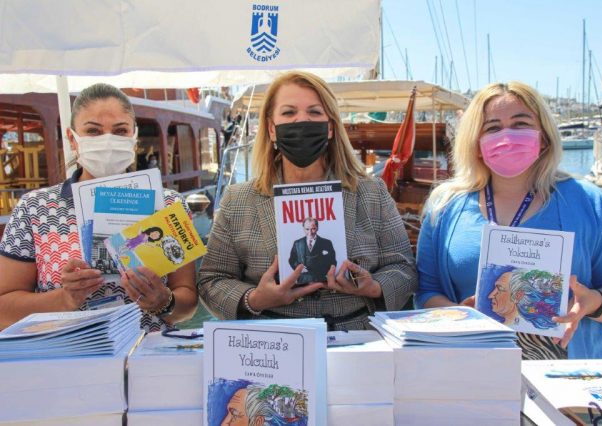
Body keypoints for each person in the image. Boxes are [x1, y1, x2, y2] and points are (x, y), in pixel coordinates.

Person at [416, 81, 602, 359]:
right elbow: (426, 292)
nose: (507, 136)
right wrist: (459, 315)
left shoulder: (590, 203)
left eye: (520, 124)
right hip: (470, 368)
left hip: (571, 374)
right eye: (492, 128)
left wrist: (592, 302)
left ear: (543, 136)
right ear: (475, 143)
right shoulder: (444, 207)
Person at [198, 71, 417, 331]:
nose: (302, 120)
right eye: (289, 112)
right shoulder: (238, 200)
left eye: (314, 112)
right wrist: (254, 299)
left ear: (330, 127)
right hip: (272, 341)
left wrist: (374, 287)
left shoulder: (372, 193)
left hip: (357, 339)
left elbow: (404, 268)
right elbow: (212, 280)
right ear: (271, 129)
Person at [0, 83, 198, 332]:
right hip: (67, 350)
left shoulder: (168, 205)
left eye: (120, 130)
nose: (107, 141)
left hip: (148, 350)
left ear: (133, 137)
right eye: (93, 131)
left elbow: (188, 303)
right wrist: (65, 298)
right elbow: (3, 308)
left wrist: (164, 302)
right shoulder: (35, 208)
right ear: (73, 139)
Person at [288, 217, 336, 284]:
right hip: (303, 279)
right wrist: (299, 268)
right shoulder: (297, 243)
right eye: (307, 229)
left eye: (313, 229)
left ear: (317, 228)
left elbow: (332, 261)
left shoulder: (327, 243)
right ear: (303, 228)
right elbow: (292, 260)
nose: (310, 233)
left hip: (321, 279)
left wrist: (329, 272)